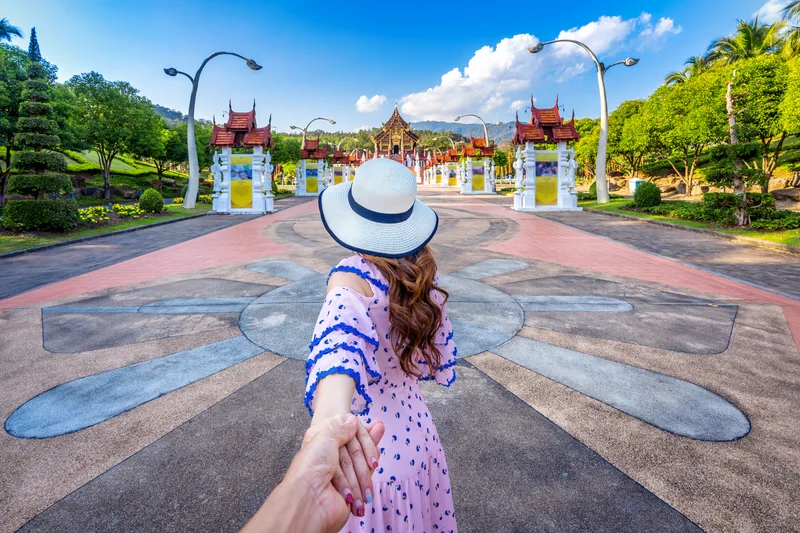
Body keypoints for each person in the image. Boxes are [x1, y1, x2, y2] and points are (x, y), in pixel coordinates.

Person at [305, 158, 458, 532]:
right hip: (419, 436)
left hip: (369, 457)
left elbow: (337, 349)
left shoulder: (349, 278)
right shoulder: (419, 272)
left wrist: (326, 429)